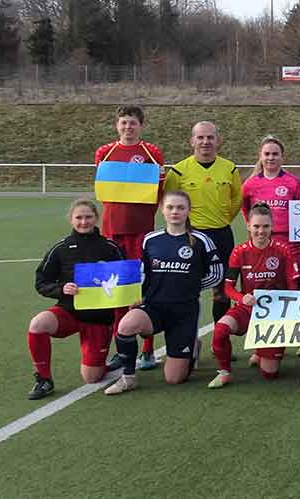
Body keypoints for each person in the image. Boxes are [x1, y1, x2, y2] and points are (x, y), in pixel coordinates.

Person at [104, 191, 224, 394]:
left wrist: (192, 287)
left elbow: (216, 273)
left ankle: (192, 346)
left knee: (174, 379)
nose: (175, 212)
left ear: (188, 210)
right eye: (170, 207)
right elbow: (143, 272)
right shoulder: (151, 239)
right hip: (154, 306)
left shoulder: (201, 240)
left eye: (180, 207)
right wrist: (138, 294)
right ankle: (128, 377)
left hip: (184, 312)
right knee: (126, 325)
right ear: (162, 210)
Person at [26, 198, 127, 399]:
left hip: (98, 318)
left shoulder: (110, 247)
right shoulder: (61, 248)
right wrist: (61, 289)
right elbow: (41, 282)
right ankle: (44, 379)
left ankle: (103, 361)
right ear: (71, 220)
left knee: (92, 377)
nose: (83, 222)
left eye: (88, 217)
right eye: (79, 217)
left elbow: (125, 281)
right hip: (68, 311)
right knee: (38, 324)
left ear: (96, 218)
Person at [94, 105, 163, 372]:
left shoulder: (150, 152)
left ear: (140, 126)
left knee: (141, 290)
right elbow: (103, 190)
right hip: (112, 231)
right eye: (123, 123)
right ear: (117, 125)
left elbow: (158, 189)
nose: (127, 127)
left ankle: (147, 350)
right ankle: (121, 350)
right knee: (115, 291)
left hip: (141, 231)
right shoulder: (105, 152)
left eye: (132, 123)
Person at [208, 203, 300, 388]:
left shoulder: (283, 250)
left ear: (272, 226)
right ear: (249, 226)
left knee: (270, 373)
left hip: (273, 312)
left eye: (265, 226)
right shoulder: (239, 252)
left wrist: (285, 309)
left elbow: (294, 287)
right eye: (256, 226)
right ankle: (225, 372)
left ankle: (264, 350)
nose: (261, 231)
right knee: (220, 329)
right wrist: (241, 298)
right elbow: (228, 288)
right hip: (248, 307)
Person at [161, 121, 242, 326]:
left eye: (210, 137)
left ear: (218, 141)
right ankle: (187, 337)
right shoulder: (178, 171)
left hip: (221, 235)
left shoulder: (229, 168)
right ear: (192, 141)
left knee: (222, 290)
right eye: (200, 137)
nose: (205, 142)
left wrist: (221, 220)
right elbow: (168, 204)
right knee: (188, 287)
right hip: (191, 236)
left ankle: (219, 338)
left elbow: (236, 200)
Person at [240, 135, 300, 271]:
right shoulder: (250, 184)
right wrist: (252, 227)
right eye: (267, 154)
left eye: (275, 154)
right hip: (262, 241)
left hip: (289, 243)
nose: (271, 157)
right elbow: (245, 208)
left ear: (282, 157)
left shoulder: (293, 183)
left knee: (294, 285)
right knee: (263, 283)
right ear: (260, 156)